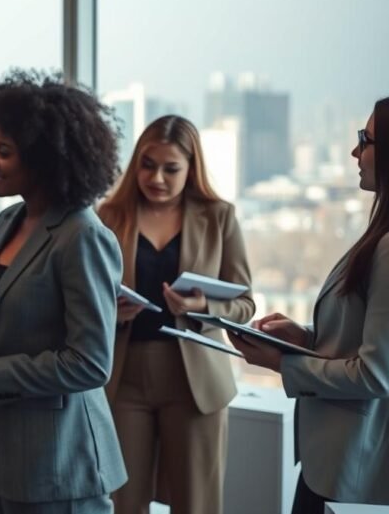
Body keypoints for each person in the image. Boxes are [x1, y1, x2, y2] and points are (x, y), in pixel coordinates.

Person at [0, 70, 127, 514]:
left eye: (4, 152)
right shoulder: (9, 221)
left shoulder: (83, 236)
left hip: (59, 464)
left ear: (43, 160)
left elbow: (89, 363)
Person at [231, 98, 389, 511]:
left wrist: (284, 364)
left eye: (365, 140)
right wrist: (305, 337)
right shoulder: (379, 236)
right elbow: (367, 343)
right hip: (331, 461)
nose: (355, 152)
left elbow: (375, 375)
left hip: (348, 467)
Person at [96, 116, 255, 514]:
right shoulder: (109, 216)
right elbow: (83, 301)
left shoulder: (218, 216)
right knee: (121, 503)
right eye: (148, 165)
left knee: (196, 504)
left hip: (195, 381)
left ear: (191, 168)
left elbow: (245, 305)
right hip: (123, 377)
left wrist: (203, 307)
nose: (157, 178)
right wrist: (112, 312)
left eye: (171, 169)